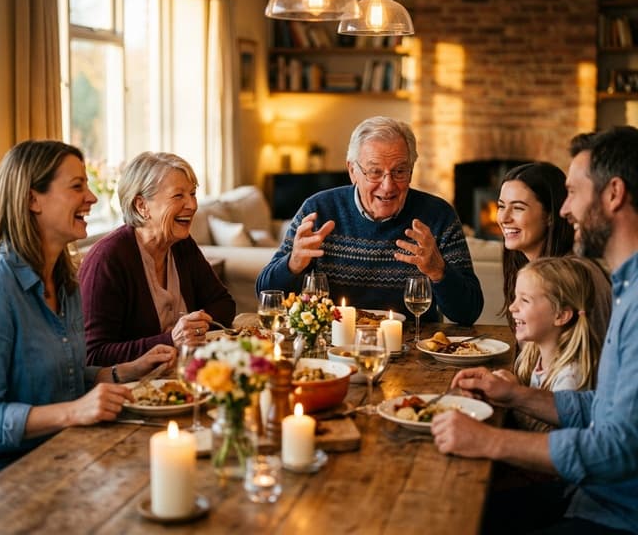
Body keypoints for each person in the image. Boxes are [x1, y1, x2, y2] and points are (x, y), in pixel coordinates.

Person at [431, 126, 638, 534]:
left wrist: (490, 442)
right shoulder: (626, 286)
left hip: (615, 514)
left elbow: (620, 449)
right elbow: (603, 410)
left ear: (613, 194)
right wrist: (517, 394)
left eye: (573, 193)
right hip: (589, 494)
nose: (564, 210)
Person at [0, 140, 175, 470]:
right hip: (17, 477)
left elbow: (66, 376)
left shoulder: (65, 281)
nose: (92, 197)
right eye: (77, 186)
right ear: (31, 199)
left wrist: (126, 371)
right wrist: (75, 410)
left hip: (71, 454)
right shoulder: (2, 286)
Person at [256, 116, 483, 324]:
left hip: (415, 350)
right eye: (375, 172)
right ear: (352, 170)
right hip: (334, 348)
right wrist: (293, 264)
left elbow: (469, 313)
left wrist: (439, 271)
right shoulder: (318, 210)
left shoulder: (438, 215)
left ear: (412, 170)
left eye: (399, 171)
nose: (388, 186)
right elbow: (265, 294)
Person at [80, 152, 236, 366]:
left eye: (192, 193)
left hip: (182, 376)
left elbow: (224, 303)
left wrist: (194, 329)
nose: (192, 205)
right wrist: (170, 340)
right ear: (142, 206)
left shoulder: (182, 245)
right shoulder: (108, 259)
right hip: (134, 390)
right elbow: (93, 355)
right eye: (178, 196)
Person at [497, 161, 611, 363]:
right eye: (501, 206)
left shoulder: (569, 276)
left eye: (518, 208)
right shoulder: (532, 272)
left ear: (550, 216)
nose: (503, 218)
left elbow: (575, 374)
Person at [497, 256, 607, 434]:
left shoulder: (571, 377)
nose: (512, 307)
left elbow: (550, 437)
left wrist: (513, 395)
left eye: (524, 300)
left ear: (560, 315)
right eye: (515, 297)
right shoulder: (534, 358)